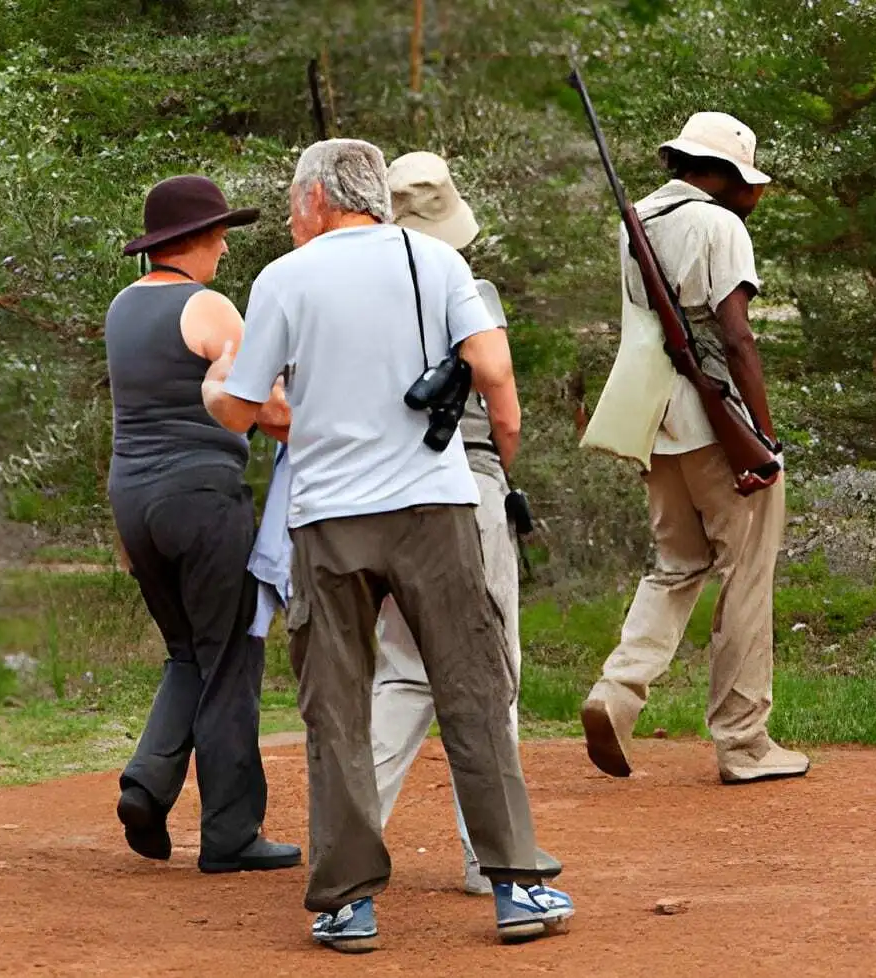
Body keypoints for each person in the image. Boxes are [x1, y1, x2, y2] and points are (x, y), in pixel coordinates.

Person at [202, 139, 574, 953]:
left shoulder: (282, 280)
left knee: (335, 709)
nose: (293, 214)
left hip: (328, 518)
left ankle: (349, 902)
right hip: (434, 509)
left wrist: (221, 381)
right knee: (473, 689)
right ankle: (516, 886)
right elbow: (490, 362)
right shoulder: (435, 264)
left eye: (295, 201)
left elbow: (239, 411)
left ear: (317, 199)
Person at [576, 112, 809, 785]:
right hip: (716, 424)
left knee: (676, 564)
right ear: (728, 175)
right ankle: (744, 740)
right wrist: (762, 438)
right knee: (746, 572)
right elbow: (735, 337)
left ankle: (617, 694)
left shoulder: (637, 222)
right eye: (751, 182)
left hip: (653, 421)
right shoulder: (719, 226)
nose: (756, 196)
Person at [106, 174, 301, 875]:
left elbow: (129, 417)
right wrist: (330, 431)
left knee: (189, 651)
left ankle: (147, 784)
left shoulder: (123, 307)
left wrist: (125, 531)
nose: (224, 246)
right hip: (201, 498)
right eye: (219, 233)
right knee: (231, 658)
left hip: (134, 497)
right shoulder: (208, 306)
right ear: (195, 239)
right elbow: (263, 405)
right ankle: (231, 832)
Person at [368, 151, 522, 897]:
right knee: (490, 674)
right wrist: (499, 465)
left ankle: (350, 842)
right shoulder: (471, 288)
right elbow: (504, 405)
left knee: (401, 672)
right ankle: (491, 855)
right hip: (465, 487)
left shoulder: (353, 298)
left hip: (380, 497)